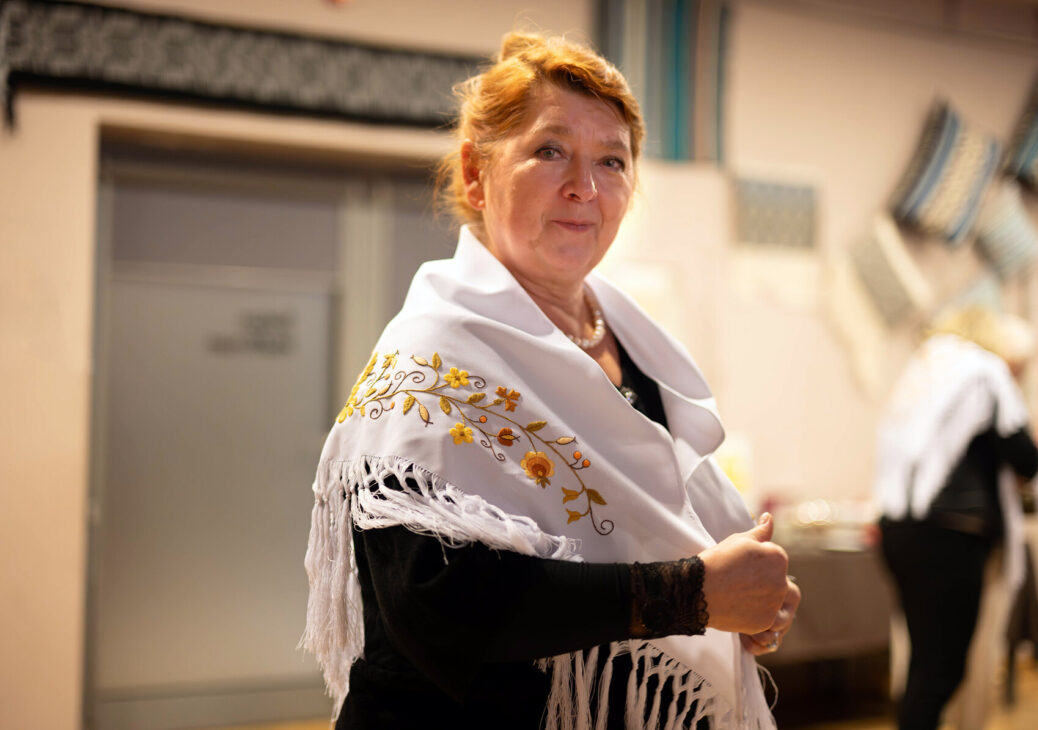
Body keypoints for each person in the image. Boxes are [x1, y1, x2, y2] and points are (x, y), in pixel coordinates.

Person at [300, 31, 799, 729]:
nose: (584, 188)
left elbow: (669, 529)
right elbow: (433, 603)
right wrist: (693, 595)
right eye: (550, 151)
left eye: (612, 161)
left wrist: (744, 596)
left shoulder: (637, 349)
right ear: (476, 173)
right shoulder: (432, 355)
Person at [875, 307, 1038, 730]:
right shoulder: (984, 372)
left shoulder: (922, 372)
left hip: (899, 529)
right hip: (952, 534)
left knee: (922, 665)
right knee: (943, 672)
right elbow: (1025, 456)